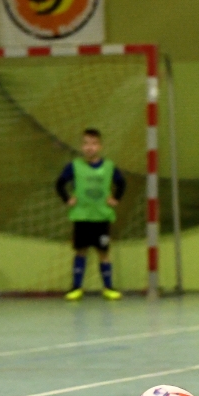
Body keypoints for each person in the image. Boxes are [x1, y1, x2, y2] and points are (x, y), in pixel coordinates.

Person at [56, 128, 126, 301]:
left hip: (101, 218)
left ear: (100, 146)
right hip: (82, 217)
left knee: (104, 252)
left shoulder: (109, 166)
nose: (90, 147)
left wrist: (116, 198)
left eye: (94, 144)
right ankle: (76, 287)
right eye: (86, 143)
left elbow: (121, 183)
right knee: (81, 251)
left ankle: (108, 287)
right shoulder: (74, 166)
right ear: (81, 146)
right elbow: (59, 183)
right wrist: (67, 199)